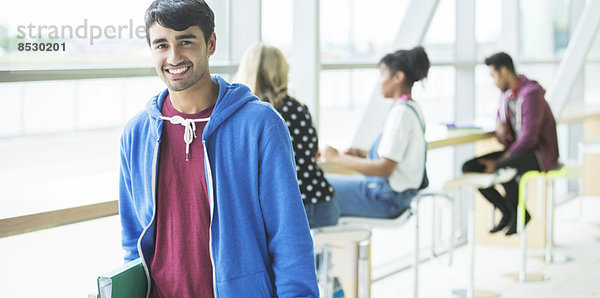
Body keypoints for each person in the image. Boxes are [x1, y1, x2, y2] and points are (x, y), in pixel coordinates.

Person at [118, 1, 319, 297]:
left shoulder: (260, 126)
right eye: (161, 45)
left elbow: (289, 239)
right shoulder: (136, 134)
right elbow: (133, 241)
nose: (174, 57)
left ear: (211, 43)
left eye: (185, 41)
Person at [236, 42, 339, 228]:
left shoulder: (243, 115)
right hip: (318, 201)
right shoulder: (297, 109)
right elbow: (310, 154)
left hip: (288, 211)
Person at [322, 46, 430, 219]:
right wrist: (361, 154)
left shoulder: (400, 113)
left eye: (382, 75)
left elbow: (384, 169)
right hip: (399, 197)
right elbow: (395, 158)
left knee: (315, 188)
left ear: (398, 77)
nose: (379, 82)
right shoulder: (412, 108)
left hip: (387, 199)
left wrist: (337, 158)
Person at [462, 52, 559, 236]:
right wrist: (499, 122)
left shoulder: (530, 95)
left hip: (539, 154)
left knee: (503, 166)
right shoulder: (507, 95)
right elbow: (501, 114)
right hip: (518, 151)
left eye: (493, 76)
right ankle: (508, 211)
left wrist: (500, 161)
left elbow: (529, 138)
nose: (493, 82)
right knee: (470, 167)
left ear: (504, 71)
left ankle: (519, 214)